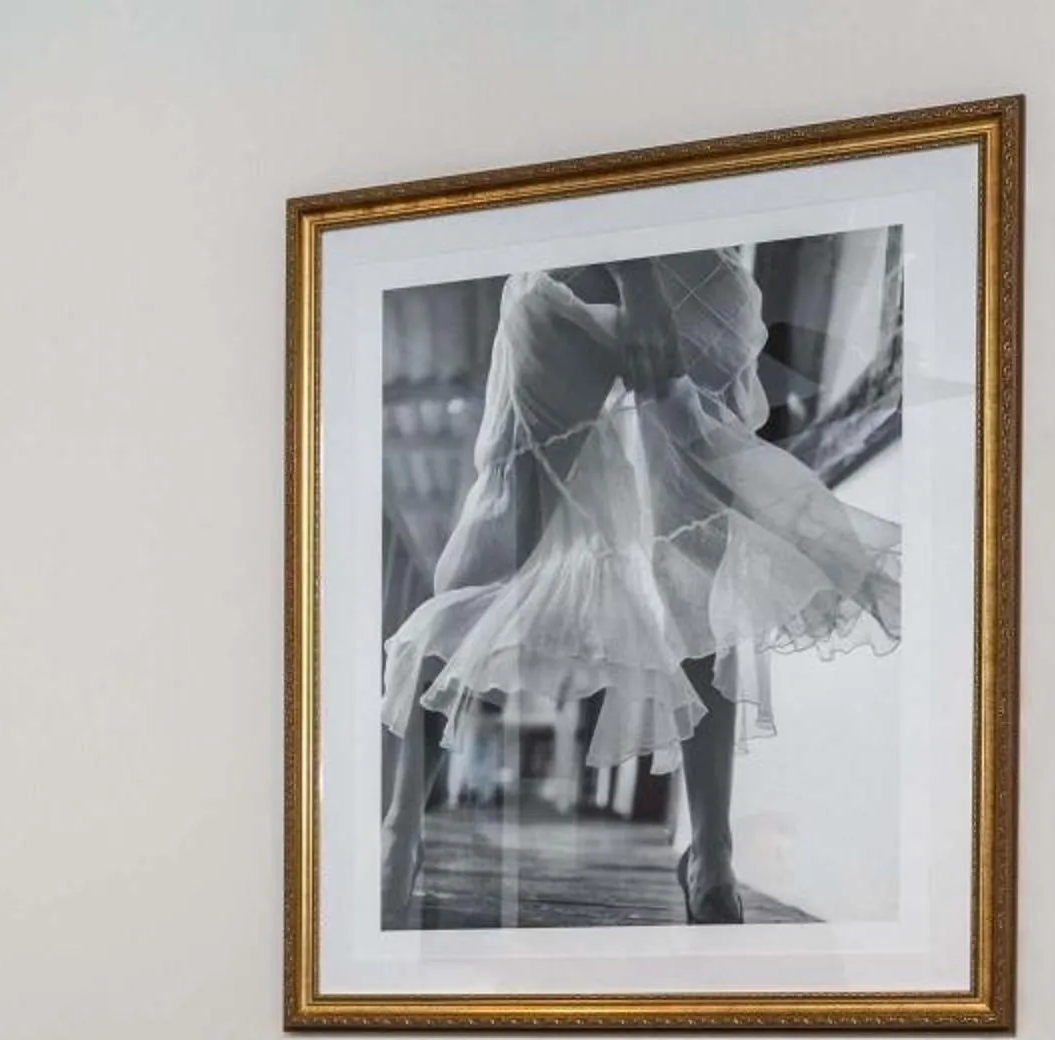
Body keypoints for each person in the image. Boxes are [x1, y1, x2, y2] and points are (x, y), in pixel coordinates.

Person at [380, 249, 900, 926]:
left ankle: (400, 833)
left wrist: (636, 280)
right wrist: (643, 281)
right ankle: (711, 857)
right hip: (679, 282)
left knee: (515, 530)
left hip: (594, 274)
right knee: (684, 563)